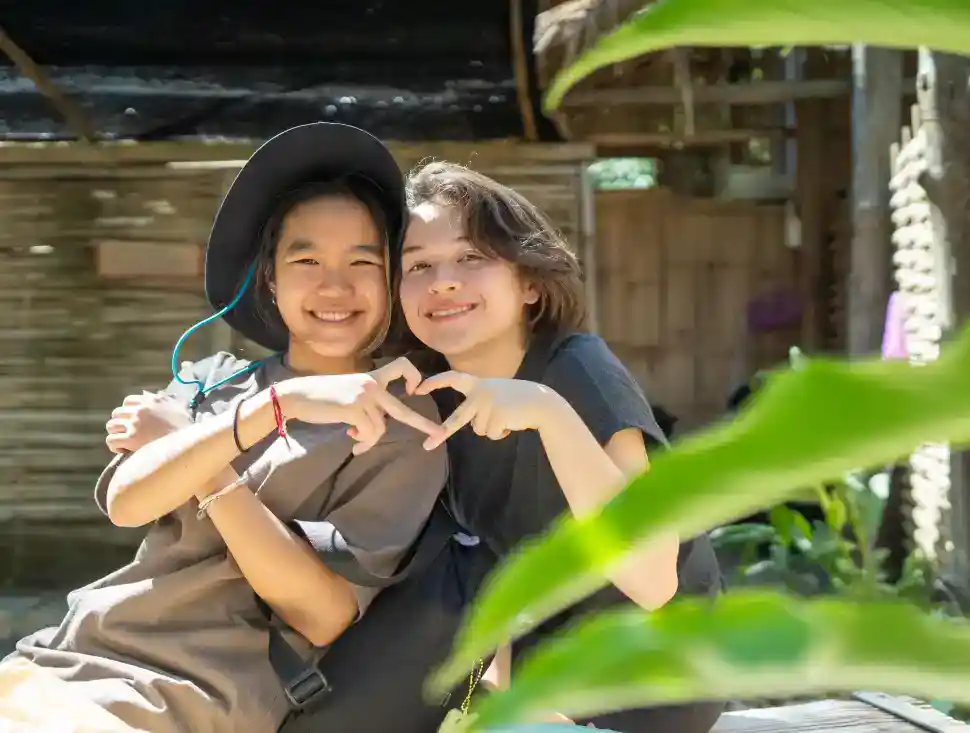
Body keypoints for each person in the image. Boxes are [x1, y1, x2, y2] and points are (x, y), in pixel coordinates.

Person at [1, 123, 447, 733]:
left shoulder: (401, 424)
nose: (334, 285)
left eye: (362, 262)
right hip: (71, 654)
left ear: (392, 279)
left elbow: (323, 614)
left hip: (188, 693)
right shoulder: (211, 380)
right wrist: (266, 407)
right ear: (268, 276)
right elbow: (130, 503)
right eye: (306, 258)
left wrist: (206, 452)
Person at [293, 161, 726, 732]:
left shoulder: (578, 373)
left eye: (471, 257)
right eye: (419, 265)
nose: (444, 280)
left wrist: (547, 414)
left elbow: (652, 580)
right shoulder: (427, 398)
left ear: (528, 282)